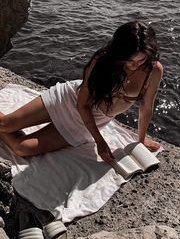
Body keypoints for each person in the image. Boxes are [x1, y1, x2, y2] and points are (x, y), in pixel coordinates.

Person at [0, 21, 163, 163]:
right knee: (5, 125)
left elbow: (146, 108)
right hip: (70, 101)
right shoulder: (103, 60)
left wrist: (140, 141)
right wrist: (99, 141)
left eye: (140, 60)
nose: (134, 65)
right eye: (129, 59)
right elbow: (82, 104)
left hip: (89, 122)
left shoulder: (153, 70)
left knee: (22, 149)